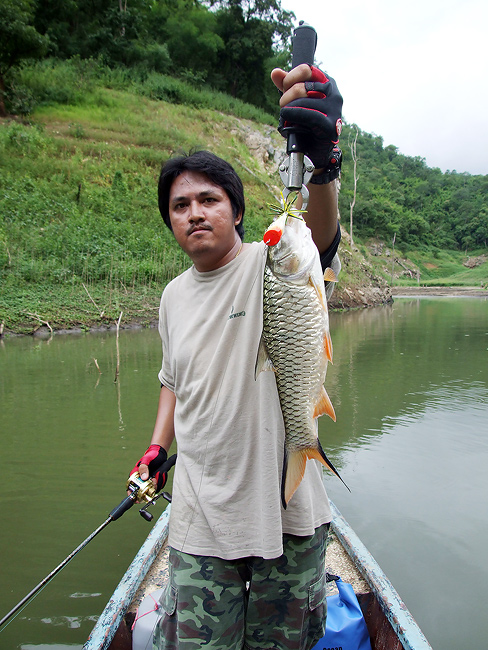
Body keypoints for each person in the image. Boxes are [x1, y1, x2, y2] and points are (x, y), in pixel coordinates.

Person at [130, 62, 343, 650]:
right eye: (180, 205)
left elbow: (318, 238)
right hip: (201, 515)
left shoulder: (270, 260)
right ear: (170, 221)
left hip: (288, 511)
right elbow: (173, 381)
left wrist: (323, 164)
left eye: (209, 199)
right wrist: (156, 448)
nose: (195, 212)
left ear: (238, 212)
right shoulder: (172, 296)